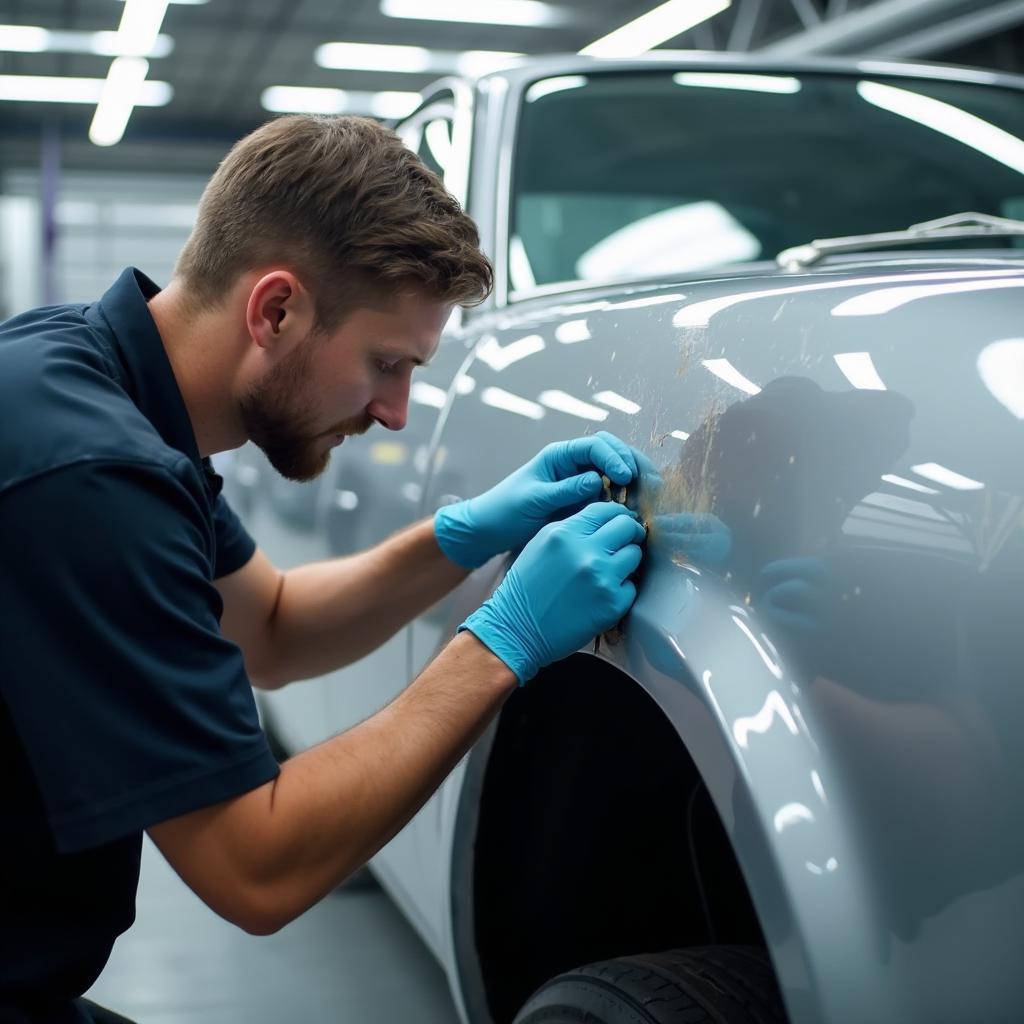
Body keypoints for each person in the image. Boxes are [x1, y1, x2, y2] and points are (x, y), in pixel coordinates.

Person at [0, 115, 645, 1024]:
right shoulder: (94, 475)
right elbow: (254, 866)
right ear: (276, 310)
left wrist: (456, 537)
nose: (394, 413)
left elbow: (269, 628)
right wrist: (504, 641)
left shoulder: (94, 380)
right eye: (387, 364)